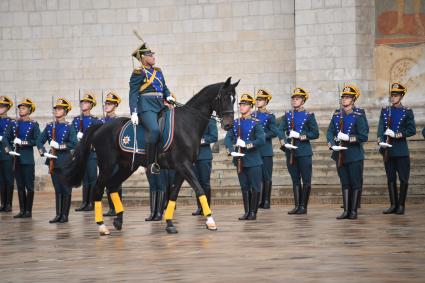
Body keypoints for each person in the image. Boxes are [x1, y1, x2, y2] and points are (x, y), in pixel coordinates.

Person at [129, 38, 175, 174]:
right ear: (143, 58)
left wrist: (168, 96)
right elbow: (133, 93)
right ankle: (151, 163)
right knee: (154, 130)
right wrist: (134, 112)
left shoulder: (158, 71)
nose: (153, 57)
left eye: (153, 55)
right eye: (150, 55)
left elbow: (164, 87)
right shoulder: (138, 73)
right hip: (146, 107)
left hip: (160, 105)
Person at [326, 85, 369, 220]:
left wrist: (348, 138)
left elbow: (363, 136)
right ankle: (346, 210)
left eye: (348, 97)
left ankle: (353, 211)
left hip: (354, 154)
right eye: (343, 97)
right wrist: (332, 144)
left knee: (355, 182)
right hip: (340, 154)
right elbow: (330, 131)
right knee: (344, 182)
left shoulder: (359, 115)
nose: (345, 99)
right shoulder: (336, 114)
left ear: (353, 99)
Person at [225, 93, 265, 220]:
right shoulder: (235, 123)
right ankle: (247, 211)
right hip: (240, 160)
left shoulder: (256, 123)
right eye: (241, 104)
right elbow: (227, 138)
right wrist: (231, 150)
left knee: (255, 187)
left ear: (251, 107)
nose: (242, 107)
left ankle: (253, 212)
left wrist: (247, 144)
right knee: (244, 187)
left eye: (245, 105)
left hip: (253, 160)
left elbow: (261, 140)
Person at [378, 82, 416, 215]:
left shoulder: (407, 112)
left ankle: (401, 205)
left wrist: (397, 134)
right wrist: (381, 141)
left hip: (401, 150)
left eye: (396, 95)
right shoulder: (385, 111)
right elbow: (380, 129)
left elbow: (412, 130)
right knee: (391, 178)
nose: (393, 97)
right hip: (388, 150)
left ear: (401, 96)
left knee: (403, 179)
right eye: (392, 95)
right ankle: (393, 204)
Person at [279, 88, 319, 215]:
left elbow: (315, 133)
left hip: (304, 151)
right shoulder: (288, 115)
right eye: (293, 98)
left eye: (297, 99)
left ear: (303, 101)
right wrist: (284, 141)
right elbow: (280, 130)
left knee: (306, 180)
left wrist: (301, 135)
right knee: (295, 179)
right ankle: (297, 205)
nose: (294, 101)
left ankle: (303, 206)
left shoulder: (309, 115)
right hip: (291, 152)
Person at [37, 98, 77, 223]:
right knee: (57, 188)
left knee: (66, 188)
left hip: (65, 161)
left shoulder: (69, 127)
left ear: (65, 112)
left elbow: (74, 143)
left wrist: (60, 146)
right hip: (53, 161)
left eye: (59, 109)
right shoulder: (50, 126)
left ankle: (65, 215)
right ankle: (58, 214)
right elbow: (39, 141)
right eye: (55, 109)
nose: (56, 111)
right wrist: (43, 152)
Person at [4, 98, 40, 218]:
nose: (21, 110)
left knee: (29, 186)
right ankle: (22, 210)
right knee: (19, 185)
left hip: (28, 159)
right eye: (20, 108)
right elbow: (5, 138)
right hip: (16, 159)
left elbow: (37, 140)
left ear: (29, 110)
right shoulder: (14, 123)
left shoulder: (34, 124)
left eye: (23, 108)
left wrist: (24, 142)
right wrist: (9, 150)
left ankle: (28, 211)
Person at [252, 89, 280, 209]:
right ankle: (258, 201)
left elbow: (274, 131)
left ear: (266, 101)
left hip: (266, 150)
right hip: (255, 150)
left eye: (261, 100)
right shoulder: (252, 115)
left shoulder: (270, 116)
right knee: (257, 177)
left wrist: (262, 135)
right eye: (257, 99)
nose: (258, 101)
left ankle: (266, 201)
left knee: (266, 176)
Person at [73, 92, 100, 212]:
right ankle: (84, 202)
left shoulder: (95, 121)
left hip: (91, 153)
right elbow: (71, 135)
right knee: (84, 179)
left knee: (92, 178)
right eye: (82, 102)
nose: (83, 104)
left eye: (86, 102)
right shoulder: (76, 120)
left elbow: (98, 136)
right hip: (81, 153)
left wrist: (85, 137)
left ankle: (91, 203)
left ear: (91, 105)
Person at [99, 91, 123, 217]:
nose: (107, 106)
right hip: (103, 157)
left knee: (116, 183)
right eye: (106, 103)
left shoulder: (118, 122)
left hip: (115, 157)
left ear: (115, 106)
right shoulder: (100, 121)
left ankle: (118, 208)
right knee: (107, 183)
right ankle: (111, 208)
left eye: (110, 104)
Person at [192, 118, 218, 216]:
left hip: (204, 156)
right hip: (193, 156)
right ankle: (199, 207)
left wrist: (200, 140)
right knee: (196, 183)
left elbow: (214, 136)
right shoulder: (192, 121)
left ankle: (206, 207)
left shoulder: (210, 121)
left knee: (205, 183)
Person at [0, 96, 15, 213]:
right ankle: (3, 203)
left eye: (3, 106)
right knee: (0, 180)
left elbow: (14, 137)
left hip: (7, 152)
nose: (0, 108)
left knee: (8, 179)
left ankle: (9, 203)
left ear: (7, 108)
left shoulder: (11, 122)